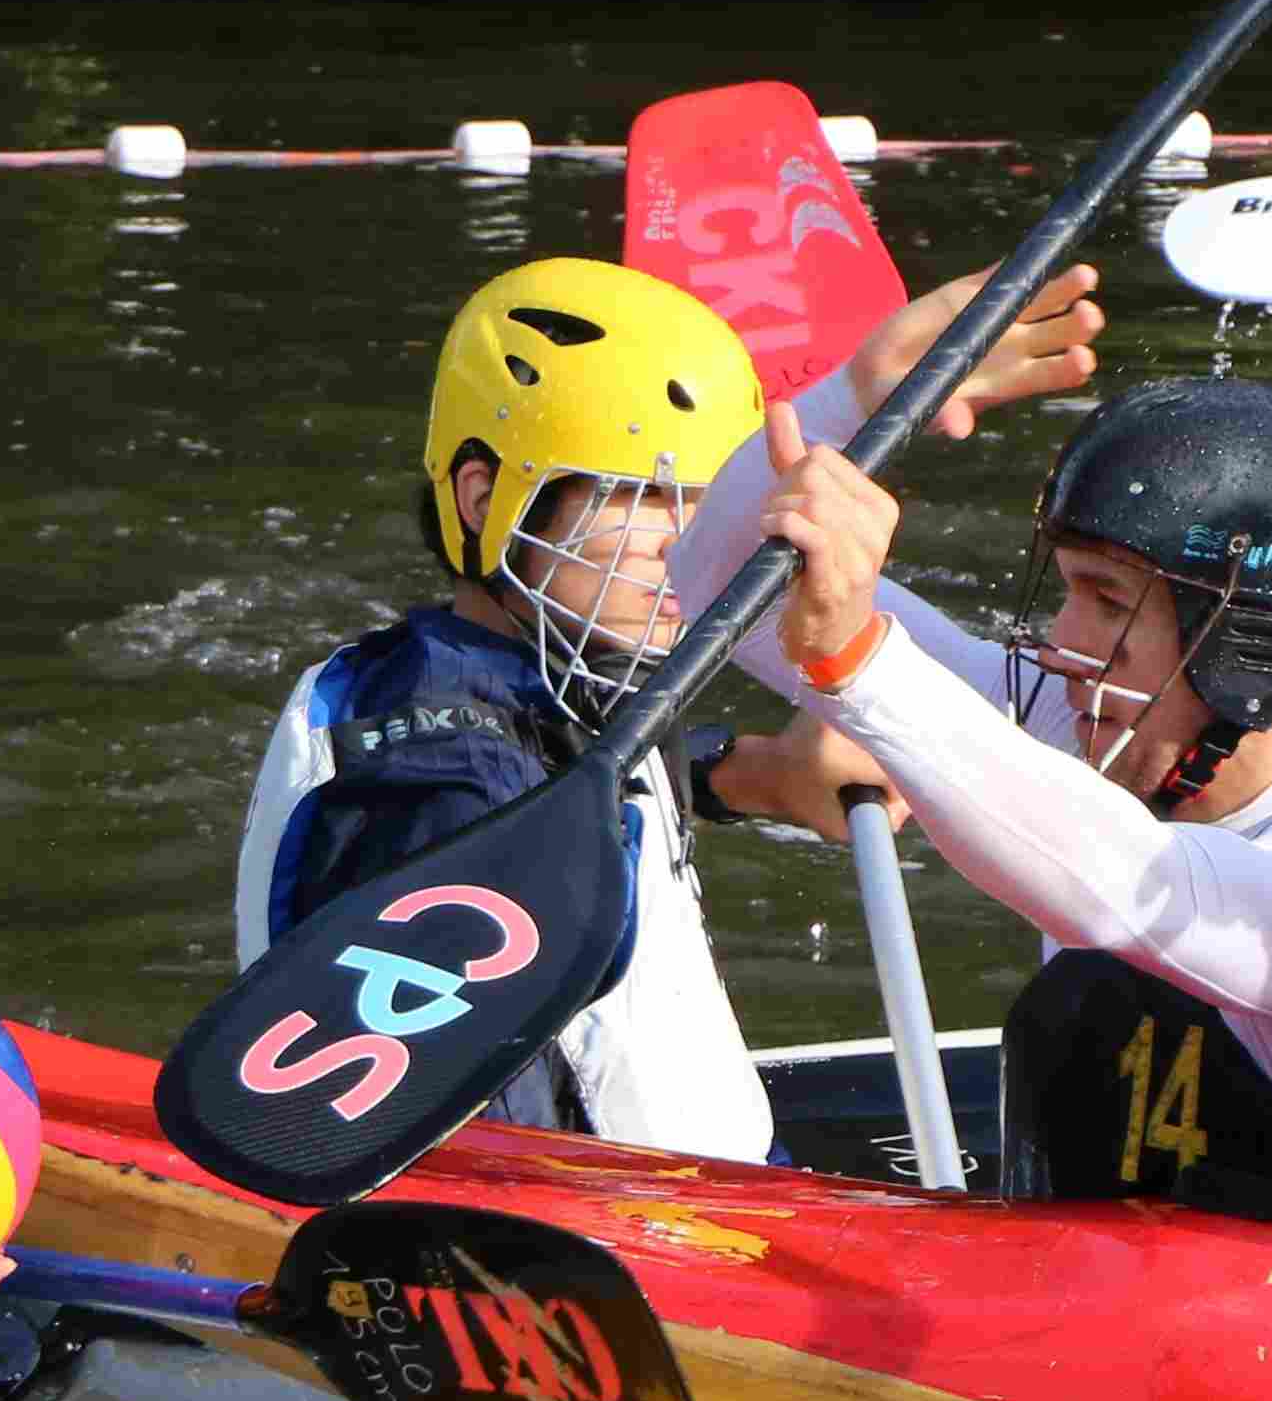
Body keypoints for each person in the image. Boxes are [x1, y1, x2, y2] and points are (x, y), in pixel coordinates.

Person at [242, 253, 1103, 1156]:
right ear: (486, 496)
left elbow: (559, 754)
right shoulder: (441, 796)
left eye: (703, 497)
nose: (689, 536)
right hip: (632, 1246)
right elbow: (471, 1156)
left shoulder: (475, 675)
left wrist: (752, 773)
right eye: (643, 494)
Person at [717, 368, 1272, 1218]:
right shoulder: (1082, 735)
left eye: (1107, 602)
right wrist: (862, 394)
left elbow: (1144, 890)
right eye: (1070, 589)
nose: (1060, 643)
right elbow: (717, 576)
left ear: (1255, 644)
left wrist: (859, 664)